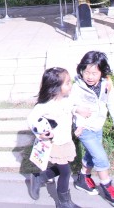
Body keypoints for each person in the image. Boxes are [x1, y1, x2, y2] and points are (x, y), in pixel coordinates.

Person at [71, 51, 114, 207]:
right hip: (84, 128)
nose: (89, 76)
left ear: (102, 72)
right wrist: (77, 110)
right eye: (86, 72)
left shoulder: (106, 84)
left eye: (94, 73)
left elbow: (112, 103)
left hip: (98, 125)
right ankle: (108, 188)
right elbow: (68, 104)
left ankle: (83, 178)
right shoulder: (77, 87)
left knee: (91, 154)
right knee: (100, 158)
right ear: (81, 70)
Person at [27, 67, 82, 208]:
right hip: (55, 143)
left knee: (62, 167)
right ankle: (64, 203)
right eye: (67, 83)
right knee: (66, 171)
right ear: (56, 87)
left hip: (66, 141)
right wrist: (42, 132)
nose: (71, 85)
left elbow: (73, 108)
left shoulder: (67, 99)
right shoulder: (45, 105)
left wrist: (79, 121)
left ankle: (39, 178)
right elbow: (32, 119)